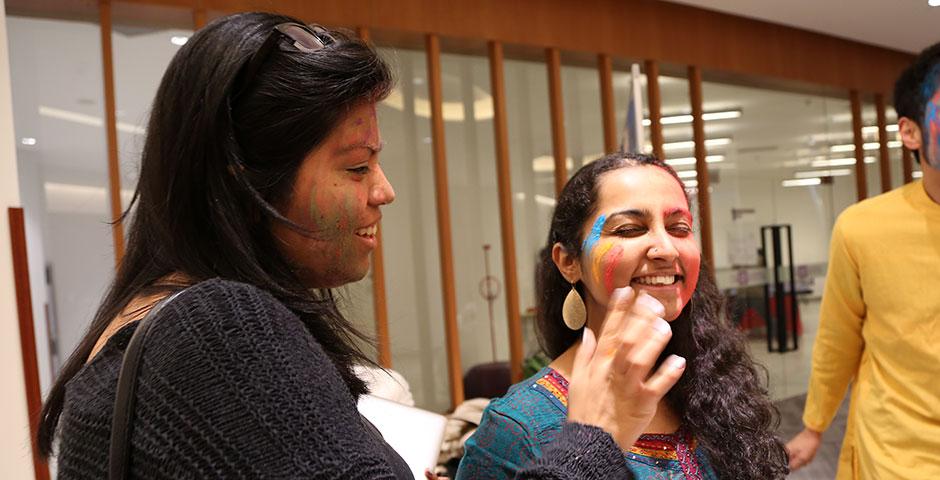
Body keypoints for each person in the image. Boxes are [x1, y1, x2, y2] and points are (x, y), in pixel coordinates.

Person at [36, 12, 685, 479]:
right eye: (355, 167)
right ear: (245, 179)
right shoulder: (220, 331)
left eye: (680, 226)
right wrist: (595, 434)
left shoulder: (149, 331)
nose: (384, 191)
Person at [457, 153, 789, 480]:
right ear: (569, 262)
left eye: (679, 228)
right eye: (630, 229)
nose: (666, 249)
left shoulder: (713, 384)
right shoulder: (516, 428)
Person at [786, 42, 940, 478]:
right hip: (895, 454)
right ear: (910, 132)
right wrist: (814, 427)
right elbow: (838, 338)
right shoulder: (862, 228)